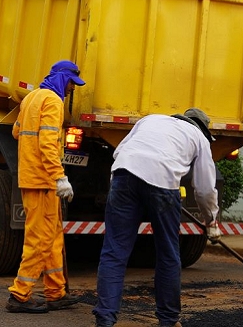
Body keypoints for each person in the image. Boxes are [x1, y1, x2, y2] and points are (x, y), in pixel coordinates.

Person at [93, 109, 222, 327]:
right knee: (168, 254)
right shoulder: (199, 137)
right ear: (203, 127)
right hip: (163, 183)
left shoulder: (150, 119)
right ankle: (168, 320)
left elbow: (120, 153)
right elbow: (204, 189)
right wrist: (211, 220)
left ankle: (104, 320)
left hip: (123, 176)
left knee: (114, 252)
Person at [7, 60, 86, 314]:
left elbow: (17, 133)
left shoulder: (30, 98)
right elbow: (47, 144)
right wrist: (59, 177)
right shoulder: (53, 101)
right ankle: (19, 295)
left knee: (52, 238)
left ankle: (55, 292)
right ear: (64, 78)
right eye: (72, 83)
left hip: (32, 177)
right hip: (43, 180)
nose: (73, 88)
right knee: (40, 239)